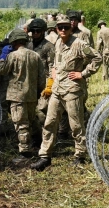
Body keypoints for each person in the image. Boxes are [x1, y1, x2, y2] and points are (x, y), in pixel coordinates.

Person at [30, 18, 102, 171]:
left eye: (66, 28)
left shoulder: (79, 44)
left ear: (70, 28)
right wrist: (52, 78)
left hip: (72, 89)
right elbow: (56, 64)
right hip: (58, 89)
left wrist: (82, 73)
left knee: (76, 124)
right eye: (60, 28)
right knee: (49, 122)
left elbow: (97, 58)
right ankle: (45, 156)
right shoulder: (57, 43)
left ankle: (80, 155)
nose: (63, 30)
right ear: (56, 29)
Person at [0, 30, 45, 162]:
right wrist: (38, 91)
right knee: (31, 120)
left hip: (17, 96)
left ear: (13, 41)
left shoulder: (12, 55)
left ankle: (25, 152)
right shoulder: (35, 55)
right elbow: (42, 78)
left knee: (21, 124)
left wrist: (2, 58)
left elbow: (2, 70)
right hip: (31, 95)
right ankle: (39, 142)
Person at [28, 18, 56, 142]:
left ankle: (48, 137)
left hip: (44, 82)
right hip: (29, 82)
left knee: (42, 111)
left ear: (43, 31)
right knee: (30, 113)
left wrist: (50, 84)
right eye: (32, 31)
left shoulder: (48, 46)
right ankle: (36, 137)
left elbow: (52, 67)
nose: (35, 33)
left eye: (37, 31)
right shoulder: (28, 45)